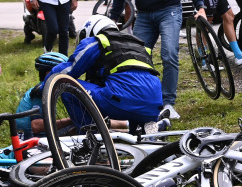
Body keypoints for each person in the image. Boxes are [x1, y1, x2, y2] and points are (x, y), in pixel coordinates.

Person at [110, 0, 207, 121]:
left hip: (168, 10)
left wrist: (200, 7)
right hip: (145, 14)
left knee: (169, 54)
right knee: (136, 58)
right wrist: (111, 20)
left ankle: (168, 102)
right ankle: (145, 99)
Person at [40, 15, 168, 134]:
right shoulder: (139, 46)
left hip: (121, 102)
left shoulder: (97, 41)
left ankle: (90, 137)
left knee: (66, 86)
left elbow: (69, 70)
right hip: (153, 106)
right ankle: (144, 132)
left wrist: (44, 85)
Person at [15, 52, 69, 139]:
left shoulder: (40, 87)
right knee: (77, 128)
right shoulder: (42, 91)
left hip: (26, 137)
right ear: (48, 73)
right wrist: (71, 120)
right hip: (32, 140)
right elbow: (36, 126)